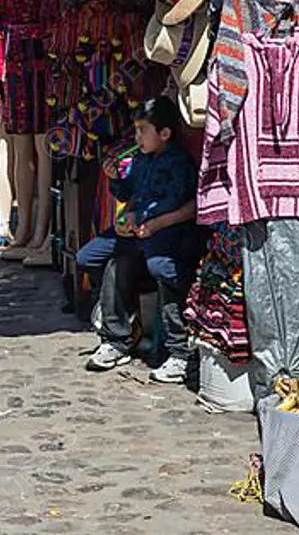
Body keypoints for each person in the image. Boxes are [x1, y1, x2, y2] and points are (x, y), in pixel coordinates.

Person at [84, 97, 200, 384]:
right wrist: (115, 180)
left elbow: (172, 200)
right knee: (89, 257)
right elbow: (127, 194)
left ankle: (175, 351)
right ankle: (123, 325)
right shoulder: (141, 158)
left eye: (142, 131)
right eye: (135, 131)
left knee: (160, 268)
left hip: (166, 233)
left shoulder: (178, 162)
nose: (136, 138)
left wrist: (143, 220)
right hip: (139, 232)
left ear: (164, 134)